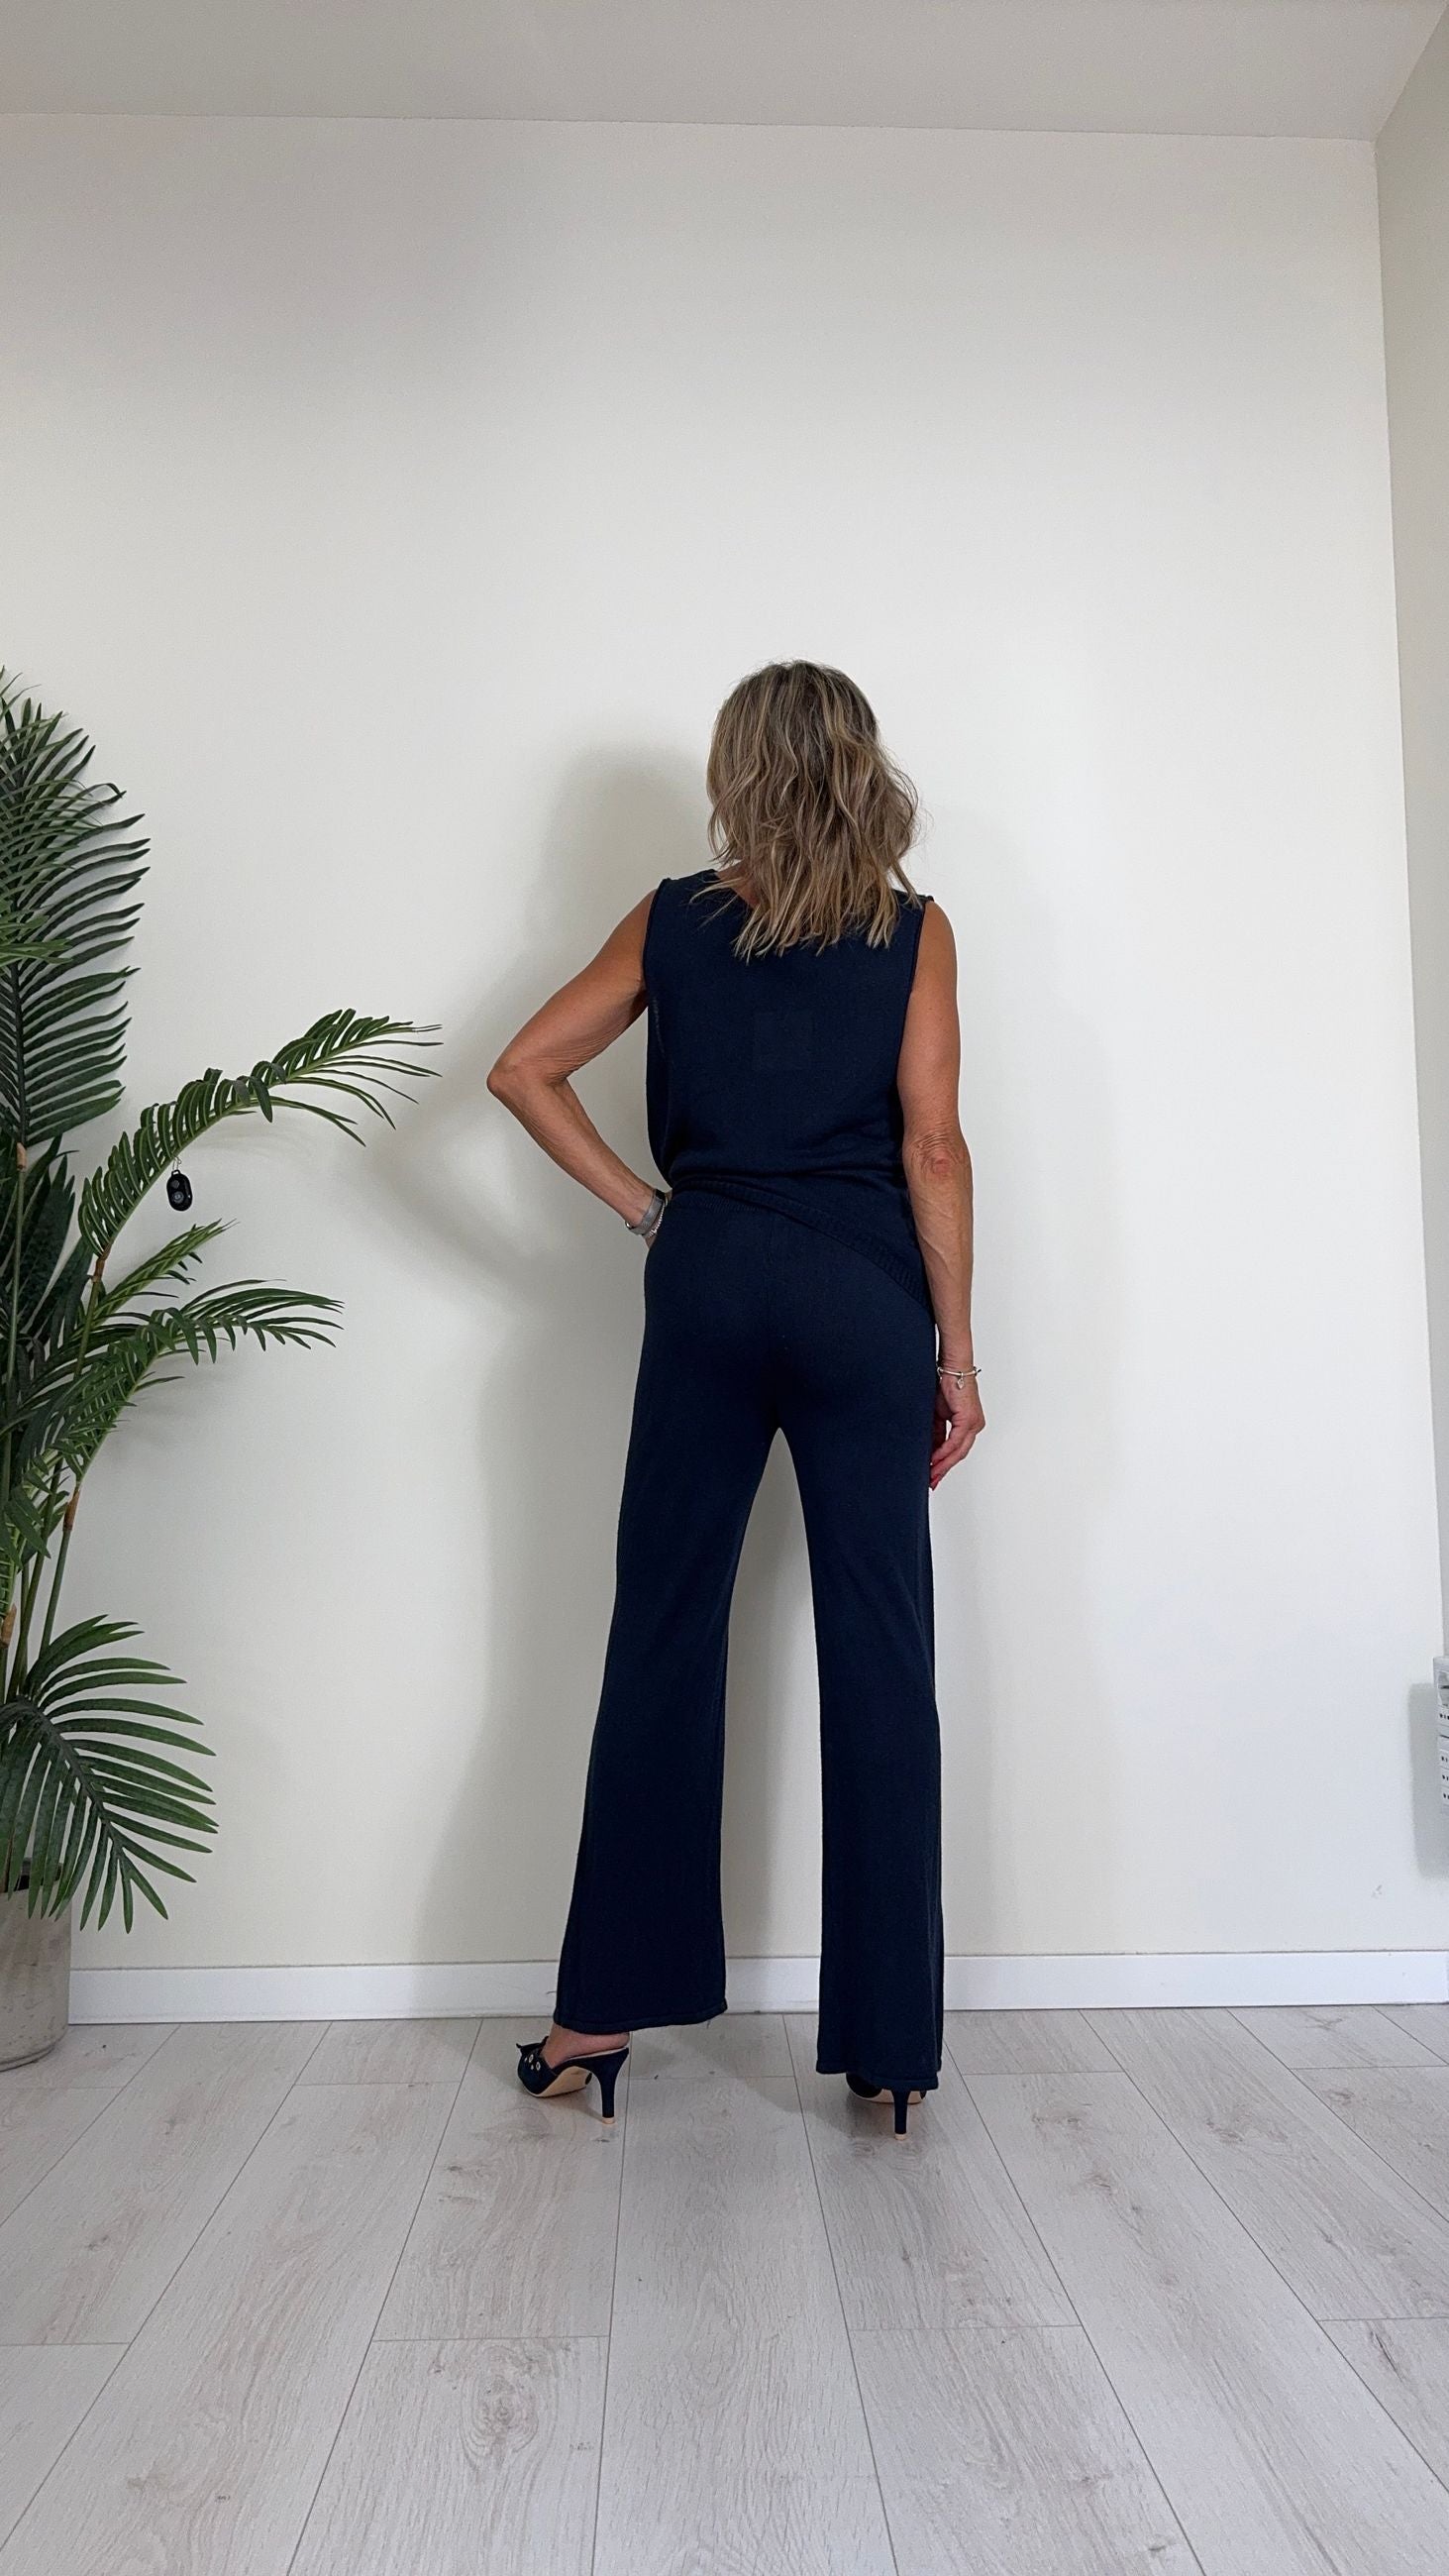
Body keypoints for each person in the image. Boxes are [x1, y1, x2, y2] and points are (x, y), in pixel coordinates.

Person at [487, 660, 983, 2138]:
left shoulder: (671, 920)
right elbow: (934, 1147)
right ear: (863, 768)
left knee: (662, 1631)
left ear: (736, 772)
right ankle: (890, 2051)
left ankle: (592, 2024)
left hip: (705, 1284)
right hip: (861, 1301)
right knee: (882, 1651)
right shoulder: (914, 930)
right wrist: (957, 1355)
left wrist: (653, 1211)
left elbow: (524, 1069)